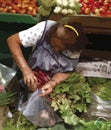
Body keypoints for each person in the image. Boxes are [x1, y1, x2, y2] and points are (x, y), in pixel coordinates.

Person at [7, 17, 89, 127]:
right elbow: (12, 40)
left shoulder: (74, 48)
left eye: (60, 49)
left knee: (49, 112)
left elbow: (67, 73)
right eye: (53, 44)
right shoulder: (44, 29)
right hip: (34, 72)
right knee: (27, 99)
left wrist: (52, 83)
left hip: (52, 80)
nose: (55, 50)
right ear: (51, 34)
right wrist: (26, 71)